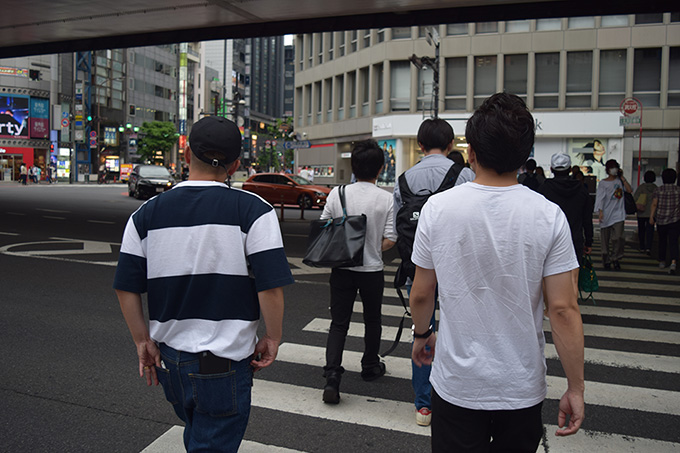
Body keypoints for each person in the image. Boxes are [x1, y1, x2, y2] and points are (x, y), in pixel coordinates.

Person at [410, 93, 585, 451]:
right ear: (524, 155)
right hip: (520, 387)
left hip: (457, 384)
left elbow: (422, 292)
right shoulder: (548, 215)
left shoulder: (437, 210)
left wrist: (422, 332)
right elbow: (564, 310)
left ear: (471, 152)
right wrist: (576, 387)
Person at [113, 116, 294, 452]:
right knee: (211, 439)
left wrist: (142, 341)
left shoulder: (145, 214)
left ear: (185, 155)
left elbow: (126, 286)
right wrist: (273, 336)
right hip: (223, 364)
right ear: (236, 164)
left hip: (171, 362)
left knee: (197, 432)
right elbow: (269, 287)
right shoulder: (255, 211)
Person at [393, 118, 475, 426]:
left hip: (418, 267)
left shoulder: (404, 180)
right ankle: (459, 397)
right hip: (459, 268)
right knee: (461, 329)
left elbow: (397, 228)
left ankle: (423, 405)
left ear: (420, 145)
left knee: (423, 330)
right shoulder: (465, 175)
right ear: (452, 145)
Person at [321, 139, 397, 404]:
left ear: (353, 166)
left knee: (338, 323)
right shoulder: (387, 199)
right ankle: (369, 365)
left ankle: (332, 375)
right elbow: (391, 239)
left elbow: (325, 229)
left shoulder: (337, 193)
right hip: (372, 269)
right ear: (380, 168)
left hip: (342, 268)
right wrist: (370, 245)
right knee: (373, 320)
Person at [539, 153, 593, 266]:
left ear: (551, 169)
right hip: (574, 240)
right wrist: (588, 241)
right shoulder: (581, 190)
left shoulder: (544, 190)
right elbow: (587, 218)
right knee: (573, 279)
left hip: (549, 242)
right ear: (570, 169)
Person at [593, 159, 632, 270]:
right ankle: (606, 259)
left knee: (618, 237)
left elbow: (629, 190)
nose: (614, 169)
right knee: (605, 240)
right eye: (612, 167)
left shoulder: (620, 181)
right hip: (606, 214)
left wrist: (622, 178)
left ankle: (615, 258)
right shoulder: (603, 183)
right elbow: (600, 198)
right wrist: (600, 212)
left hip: (618, 214)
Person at [649, 168, 680, 275]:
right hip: (675, 220)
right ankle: (673, 262)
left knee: (662, 240)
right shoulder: (678, 190)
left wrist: (651, 217)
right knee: (673, 241)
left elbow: (654, 204)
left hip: (661, 220)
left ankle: (662, 261)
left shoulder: (658, 190)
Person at [634, 171, 658, 254]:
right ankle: (648, 247)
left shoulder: (641, 187)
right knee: (650, 230)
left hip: (641, 212)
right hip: (652, 213)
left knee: (641, 230)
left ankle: (642, 246)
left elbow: (635, 198)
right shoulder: (656, 188)